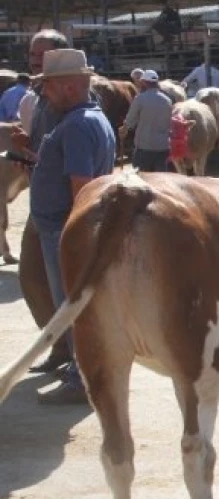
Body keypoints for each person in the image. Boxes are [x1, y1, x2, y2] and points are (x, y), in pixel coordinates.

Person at [28, 48, 116, 404]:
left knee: (74, 306)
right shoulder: (89, 119)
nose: (43, 93)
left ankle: (84, 380)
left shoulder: (78, 126)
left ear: (66, 87)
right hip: (65, 230)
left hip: (63, 232)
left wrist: (72, 237)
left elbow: (82, 187)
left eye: (47, 86)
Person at [12, 28, 73, 375]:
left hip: (62, 202)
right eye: (32, 54)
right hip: (41, 196)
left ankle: (80, 362)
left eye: (42, 54)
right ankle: (59, 346)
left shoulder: (66, 96)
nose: (34, 60)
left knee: (65, 283)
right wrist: (26, 152)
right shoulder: (34, 96)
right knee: (33, 277)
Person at [121, 69, 173, 172]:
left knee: (142, 178)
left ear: (144, 82)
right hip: (163, 147)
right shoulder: (167, 100)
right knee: (161, 180)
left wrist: (124, 129)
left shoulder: (140, 99)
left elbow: (130, 120)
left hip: (144, 147)